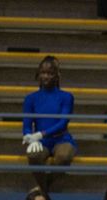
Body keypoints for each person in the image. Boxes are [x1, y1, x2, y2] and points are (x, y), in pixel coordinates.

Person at [22, 55, 76, 192]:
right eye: (43, 73)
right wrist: (29, 137)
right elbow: (27, 124)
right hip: (42, 141)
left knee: (64, 156)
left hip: (61, 138)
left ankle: (43, 189)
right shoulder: (30, 98)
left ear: (56, 76)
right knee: (33, 155)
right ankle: (45, 189)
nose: (46, 76)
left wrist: (39, 134)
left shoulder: (66, 97)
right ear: (38, 75)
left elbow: (63, 122)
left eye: (50, 73)